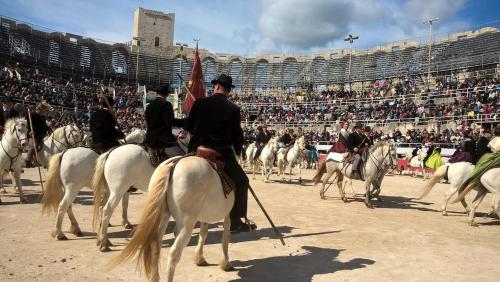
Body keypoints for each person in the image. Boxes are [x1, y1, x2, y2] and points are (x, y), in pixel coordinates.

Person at [185, 74, 256, 233]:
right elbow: (237, 136)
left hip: (196, 151)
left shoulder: (200, 103)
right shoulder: (233, 109)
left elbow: (189, 127)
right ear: (229, 91)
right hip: (219, 154)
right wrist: (237, 151)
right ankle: (236, 221)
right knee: (243, 181)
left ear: (216, 87)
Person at [145, 84, 185, 158]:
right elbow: (171, 122)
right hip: (163, 141)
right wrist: (185, 121)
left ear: (157, 93)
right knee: (183, 158)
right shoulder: (166, 105)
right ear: (167, 94)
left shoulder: (149, 106)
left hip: (150, 139)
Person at [25, 101, 51, 167]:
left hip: (41, 135)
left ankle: (39, 160)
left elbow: (44, 126)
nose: (43, 112)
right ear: (38, 110)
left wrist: (49, 128)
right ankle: (27, 161)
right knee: (33, 146)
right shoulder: (31, 115)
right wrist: (30, 131)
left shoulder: (42, 117)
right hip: (33, 135)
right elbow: (27, 125)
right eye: (43, 111)